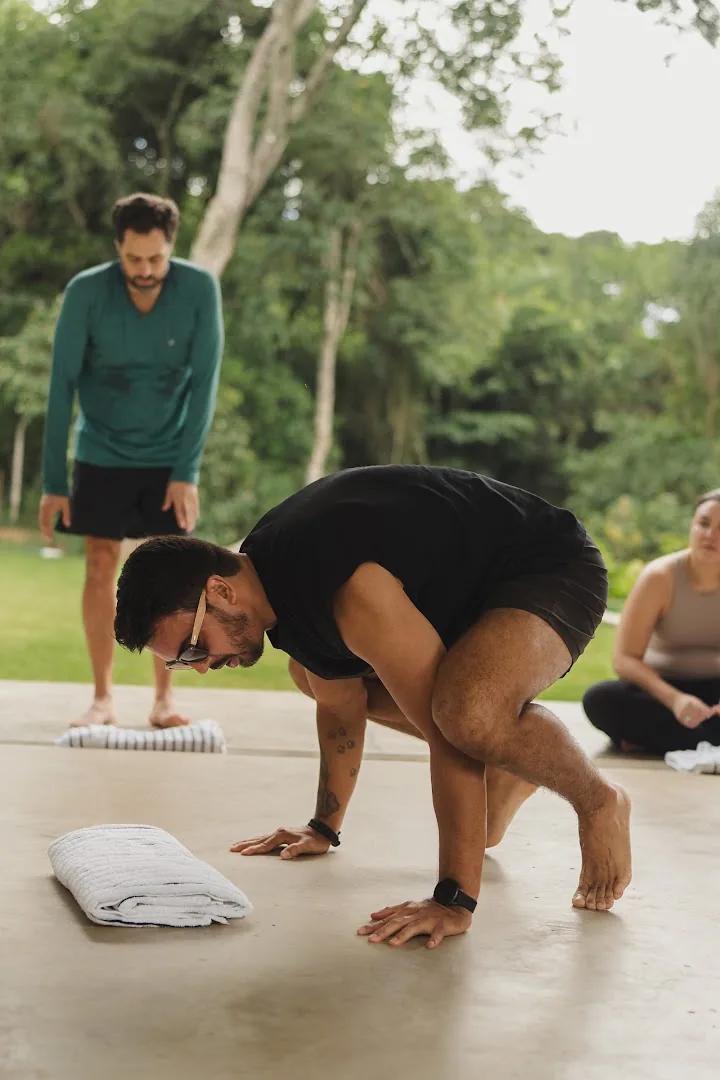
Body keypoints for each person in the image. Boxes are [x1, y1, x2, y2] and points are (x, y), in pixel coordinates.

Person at [114, 465, 632, 949]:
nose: (201, 667)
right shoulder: (276, 592)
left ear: (220, 590)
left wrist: (453, 900)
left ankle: (599, 802)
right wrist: (323, 827)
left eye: (193, 650)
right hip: (472, 592)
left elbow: (446, 736)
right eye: (182, 662)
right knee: (313, 678)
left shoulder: (345, 587)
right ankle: (510, 763)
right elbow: (342, 707)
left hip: (549, 565)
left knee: (466, 714)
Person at [39, 192, 223, 729]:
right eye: (133, 258)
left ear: (171, 248)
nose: (144, 270)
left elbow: (204, 386)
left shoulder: (199, 289)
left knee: (169, 573)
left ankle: (164, 700)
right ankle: (102, 698)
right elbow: (60, 386)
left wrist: (186, 471)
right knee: (100, 564)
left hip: (168, 454)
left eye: (155, 259)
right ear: (118, 247)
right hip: (101, 449)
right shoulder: (86, 292)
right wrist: (53, 482)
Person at [583, 489, 720, 756]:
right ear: (692, 525)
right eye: (703, 523)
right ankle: (707, 739)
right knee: (600, 699)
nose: (710, 534)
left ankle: (657, 740)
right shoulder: (660, 577)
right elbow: (624, 659)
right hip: (661, 692)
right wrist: (676, 700)